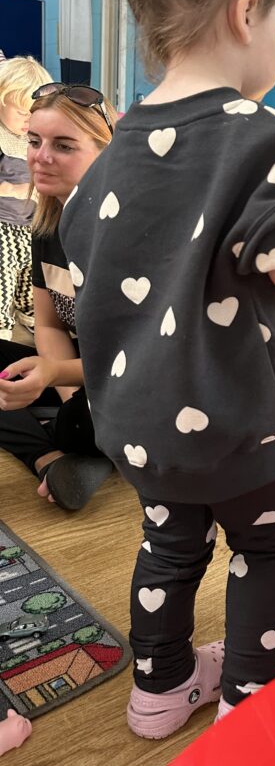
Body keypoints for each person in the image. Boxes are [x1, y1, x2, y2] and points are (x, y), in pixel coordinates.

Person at [59, 0, 275, 739]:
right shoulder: (264, 137)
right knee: (264, 548)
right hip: (239, 423)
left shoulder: (108, 157)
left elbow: (83, 252)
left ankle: (159, 691)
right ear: (246, 11)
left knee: (170, 546)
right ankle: (247, 700)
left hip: (142, 425)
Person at [0, 86, 115, 510]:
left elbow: (142, 361)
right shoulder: (47, 227)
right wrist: (63, 387)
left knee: (79, 423)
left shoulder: (126, 238)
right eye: (34, 141)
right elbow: (48, 324)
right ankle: (50, 458)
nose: (40, 156)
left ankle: (64, 446)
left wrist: (55, 376)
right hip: (76, 377)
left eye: (63, 146)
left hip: (131, 386)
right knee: (71, 420)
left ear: (104, 155)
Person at [0, 56, 52, 339]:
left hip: (31, 225)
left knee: (30, 281)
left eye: (32, 112)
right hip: (3, 226)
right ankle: (3, 328)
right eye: (20, 111)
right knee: (3, 280)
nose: (27, 119)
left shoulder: (35, 138)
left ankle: (28, 317)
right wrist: (14, 189)